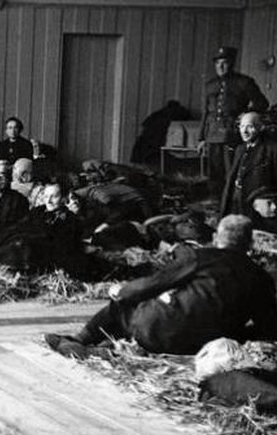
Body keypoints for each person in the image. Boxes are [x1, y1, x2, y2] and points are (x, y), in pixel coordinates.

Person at [46, 215, 277, 357]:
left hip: (159, 329)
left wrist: (121, 291)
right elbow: (268, 325)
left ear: (217, 237)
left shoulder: (200, 257)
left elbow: (154, 284)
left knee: (124, 307)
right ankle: (110, 349)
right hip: (204, 345)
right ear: (249, 243)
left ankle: (81, 341)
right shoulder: (260, 277)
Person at [199, 46, 269, 189]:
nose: (221, 66)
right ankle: (215, 204)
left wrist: (246, 114)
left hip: (232, 133)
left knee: (231, 171)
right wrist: (201, 138)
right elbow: (205, 113)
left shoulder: (244, 82)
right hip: (212, 134)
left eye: (224, 62)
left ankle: (231, 204)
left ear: (231, 63)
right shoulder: (210, 85)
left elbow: (262, 103)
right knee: (213, 172)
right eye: (218, 63)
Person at [220, 111, 277, 218]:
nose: (244, 131)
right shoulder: (240, 149)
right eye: (242, 126)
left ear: (260, 127)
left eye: (250, 127)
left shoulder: (272, 149)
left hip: (258, 207)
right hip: (236, 202)